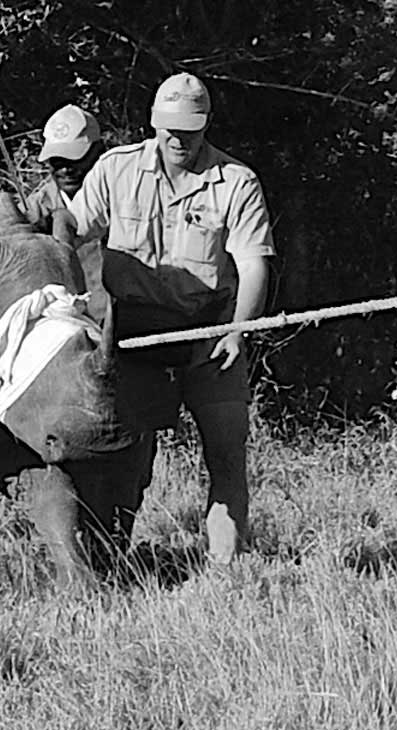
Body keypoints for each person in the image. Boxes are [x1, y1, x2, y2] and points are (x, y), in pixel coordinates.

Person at [65, 73, 275, 565]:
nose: (179, 139)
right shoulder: (116, 170)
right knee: (123, 459)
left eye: (191, 129)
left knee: (226, 457)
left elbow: (253, 264)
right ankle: (109, 563)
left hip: (210, 341)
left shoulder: (236, 182)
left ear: (206, 126)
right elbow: (70, 233)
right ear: (154, 123)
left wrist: (238, 330)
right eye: (170, 128)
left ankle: (226, 574)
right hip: (132, 340)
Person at [23, 104, 107, 230]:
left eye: (75, 159)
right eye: (57, 161)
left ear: (99, 152)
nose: (66, 170)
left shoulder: (123, 196)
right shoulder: (35, 211)